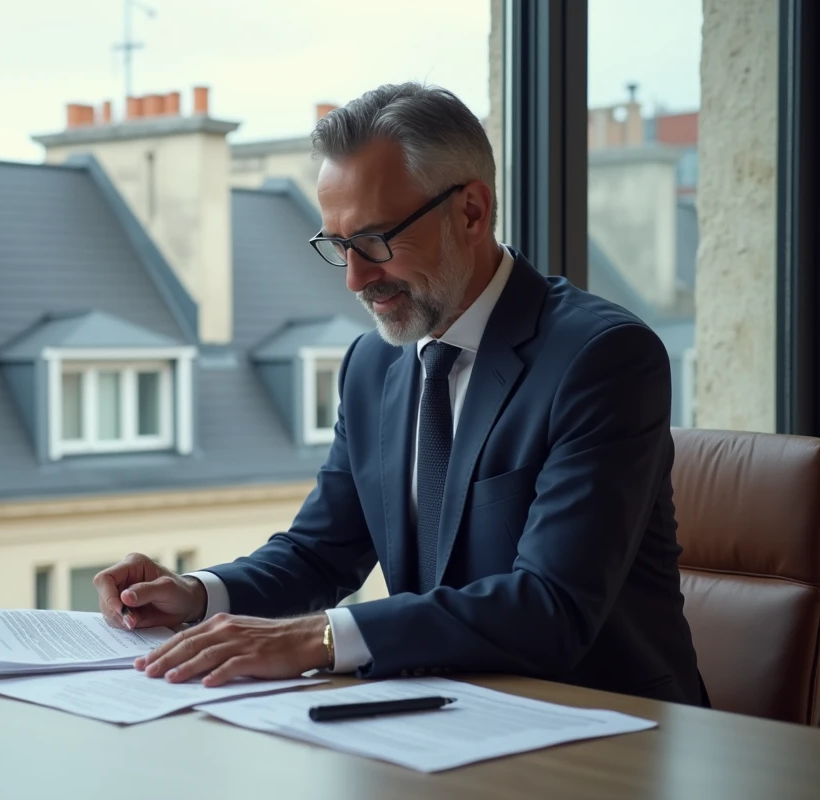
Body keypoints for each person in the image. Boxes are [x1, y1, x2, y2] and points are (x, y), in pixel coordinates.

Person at [94, 82, 705, 705]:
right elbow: (321, 553)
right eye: (338, 246)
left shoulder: (600, 358)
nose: (356, 278)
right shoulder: (373, 364)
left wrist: (320, 638)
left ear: (471, 211)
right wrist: (196, 594)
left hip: (605, 726)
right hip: (445, 719)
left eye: (376, 240)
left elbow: (551, 606)